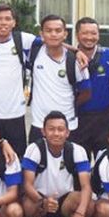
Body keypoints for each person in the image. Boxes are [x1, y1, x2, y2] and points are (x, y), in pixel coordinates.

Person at [21, 110, 93, 217]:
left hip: (66, 200)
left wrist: (80, 213)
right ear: (43, 131)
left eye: (60, 129)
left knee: (89, 205)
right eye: (51, 129)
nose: (56, 133)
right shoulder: (34, 149)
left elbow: (86, 186)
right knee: (27, 204)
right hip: (40, 199)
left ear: (67, 132)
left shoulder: (77, 151)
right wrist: (42, 202)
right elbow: (27, 184)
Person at [0, 4, 38, 157]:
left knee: (16, 159)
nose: (3, 22)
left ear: (14, 22)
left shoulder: (23, 39)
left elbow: (52, 41)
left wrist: (77, 51)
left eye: (7, 19)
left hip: (15, 114)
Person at [27, 15, 91, 143]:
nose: (53, 34)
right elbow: (5, 36)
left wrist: (70, 105)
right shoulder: (34, 51)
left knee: (67, 161)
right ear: (41, 34)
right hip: (39, 124)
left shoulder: (77, 61)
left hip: (67, 126)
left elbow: (86, 93)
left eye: (58, 30)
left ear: (65, 34)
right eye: (49, 30)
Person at [72, 17, 109, 155]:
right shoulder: (68, 57)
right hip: (77, 119)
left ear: (98, 35)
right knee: (79, 164)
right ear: (77, 35)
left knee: (105, 162)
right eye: (85, 33)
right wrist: (73, 50)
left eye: (93, 33)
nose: (89, 37)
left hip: (103, 120)